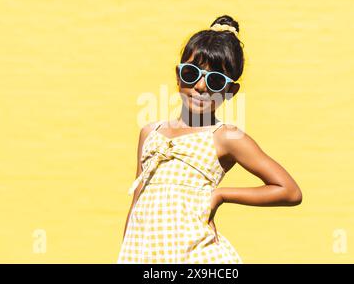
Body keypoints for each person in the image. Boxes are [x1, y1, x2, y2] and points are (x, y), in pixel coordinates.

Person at [117, 15, 302, 263]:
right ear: (178, 75)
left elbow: (289, 191)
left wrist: (221, 195)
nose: (201, 87)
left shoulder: (226, 137)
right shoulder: (149, 133)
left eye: (215, 80)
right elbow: (137, 202)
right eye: (192, 73)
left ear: (230, 91)